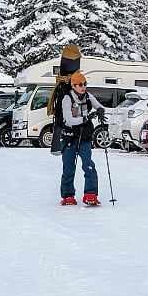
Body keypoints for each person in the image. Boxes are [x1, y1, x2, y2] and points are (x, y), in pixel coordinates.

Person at [58, 71, 106, 206]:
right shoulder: (67, 98)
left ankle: (90, 193)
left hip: (84, 136)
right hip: (69, 137)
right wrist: (86, 118)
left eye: (85, 84)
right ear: (73, 86)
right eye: (80, 84)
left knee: (88, 165)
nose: (83, 86)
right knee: (69, 167)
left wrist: (101, 110)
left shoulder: (88, 96)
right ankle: (68, 195)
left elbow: (99, 106)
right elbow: (70, 120)